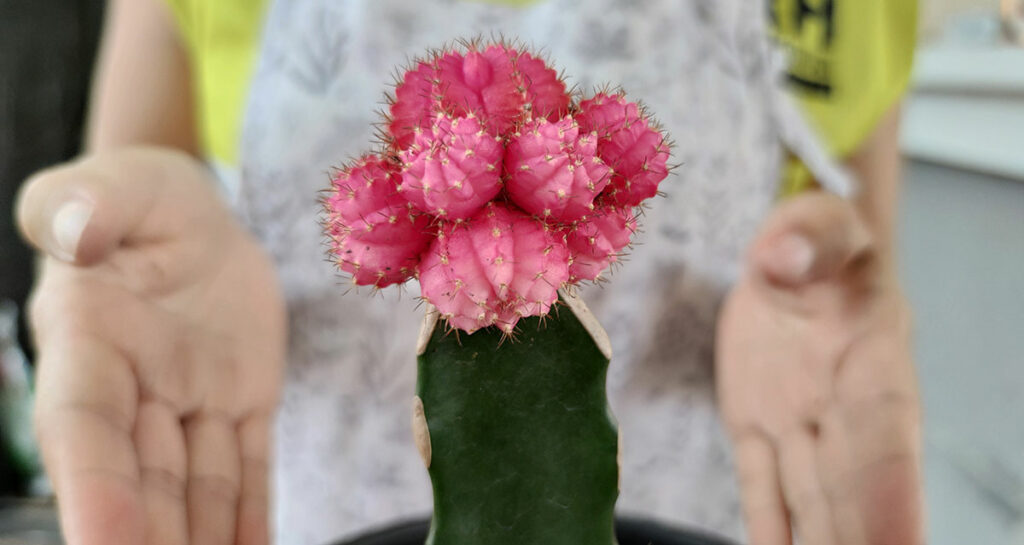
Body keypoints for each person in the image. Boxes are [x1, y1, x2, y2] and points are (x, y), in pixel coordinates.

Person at [14, 0, 923, 544]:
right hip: (287, 503)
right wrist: (121, 237)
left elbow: (855, 239)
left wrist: (828, 274)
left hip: (712, 507)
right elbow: (138, 173)